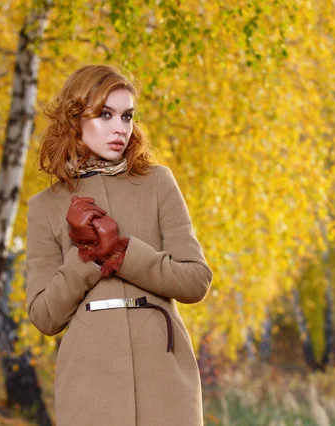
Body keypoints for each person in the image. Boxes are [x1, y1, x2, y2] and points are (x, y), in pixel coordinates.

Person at [25, 64, 213, 426]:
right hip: (87, 381)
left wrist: (122, 252)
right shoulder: (44, 206)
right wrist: (88, 257)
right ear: (75, 118)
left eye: (127, 116)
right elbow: (45, 316)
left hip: (165, 373)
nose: (120, 128)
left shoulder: (158, 182)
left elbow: (196, 281)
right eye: (105, 114)